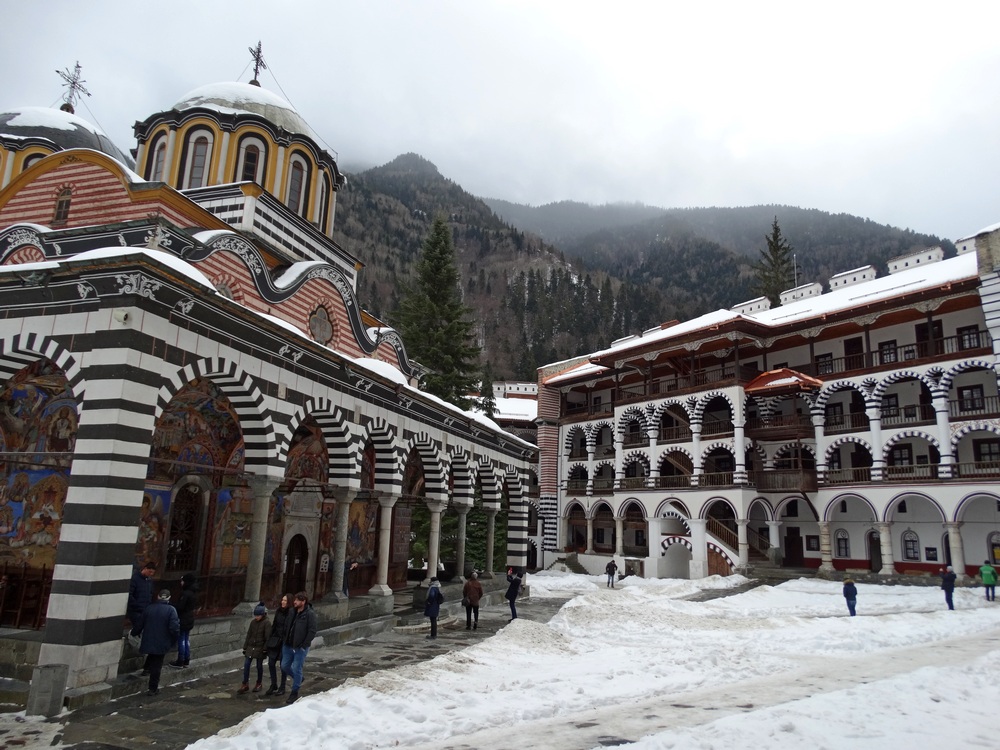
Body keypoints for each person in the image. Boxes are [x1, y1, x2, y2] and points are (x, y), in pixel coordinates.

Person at [130, 588, 178, 696]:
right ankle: (153, 688)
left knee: (152, 655)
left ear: (158, 597)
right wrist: (175, 639)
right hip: (162, 640)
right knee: (157, 664)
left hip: (149, 638)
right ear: (169, 598)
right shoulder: (171, 610)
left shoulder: (149, 608)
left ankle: (146, 669)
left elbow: (140, 624)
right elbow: (174, 627)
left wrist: (134, 633)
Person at [280, 591, 317, 705]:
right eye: (295, 600)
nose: (294, 602)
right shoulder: (292, 611)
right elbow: (287, 625)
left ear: (303, 601)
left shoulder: (310, 614)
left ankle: (294, 691)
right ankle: (299, 679)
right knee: (284, 666)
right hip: (288, 644)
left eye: (297, 600)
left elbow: (312, 631)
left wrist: (304, 644)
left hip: (300, 647)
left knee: (297, 668)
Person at [239, 603, 271, 694]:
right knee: (246, 665)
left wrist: (265, 648)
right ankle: (245, 683)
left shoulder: (266, 623)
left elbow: (267, 637)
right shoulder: (253, 622)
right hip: (251, 646)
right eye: (255, 615)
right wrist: (245, 647)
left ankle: (259, 683)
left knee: (259, 665)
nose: (256, 617)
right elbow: (249, 635)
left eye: (258, 615)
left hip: (260, 647)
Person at [265, 592, 293, 696]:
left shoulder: (291, 612)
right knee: (271, 663)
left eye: (285, 601)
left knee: (283, 665)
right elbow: (274, 625)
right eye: (282, 600)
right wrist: (270, 638)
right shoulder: (278, 611)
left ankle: (282, 686)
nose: (283, 602)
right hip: (275, 640)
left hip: (285, 642)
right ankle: (273, 684)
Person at [168, 573, 197, 668]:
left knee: (181, 639)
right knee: (186, 639)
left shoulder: (185, 594)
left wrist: (171, 604)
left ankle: (181, 659)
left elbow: (181, 607)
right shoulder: (193, 592)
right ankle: (186, 658)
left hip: (183, 619)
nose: (181, 583)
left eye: (182, 581)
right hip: (189, 618)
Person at [127, 561, 156, 626]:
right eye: (150, 572)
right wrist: (136, 605)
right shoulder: (135, 579)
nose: (151, 574)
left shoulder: (150, 581)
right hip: (135, 610)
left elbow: (151, 594)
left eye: (152, 573)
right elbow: (130, 594)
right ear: (145, 569)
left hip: (146, 610)